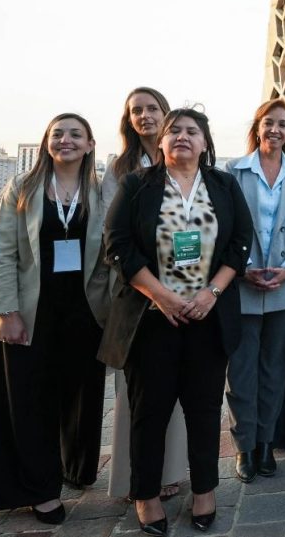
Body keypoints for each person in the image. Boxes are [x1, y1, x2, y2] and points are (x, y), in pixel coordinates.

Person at [100, 108, 253, 535]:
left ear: (205, 143)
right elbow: (118, 246)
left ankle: (204, 491)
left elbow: (241, 243)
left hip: (209, 317)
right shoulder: (137, 185)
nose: (183, 137)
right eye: (175, 132)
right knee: (150, 412)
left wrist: (212, 293)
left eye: (192, 132)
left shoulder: (224, 185)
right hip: (152, 319)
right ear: (162, 143)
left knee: (204, 410)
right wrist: (163, 297)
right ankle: (145, 495)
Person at [0, 113, 109, 525]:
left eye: (76, 134)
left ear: (90, 144)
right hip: (32, 313)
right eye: (58, 134)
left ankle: (77, 468)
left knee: (80, 398)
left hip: (86, 313)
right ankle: (41, 489)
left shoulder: (99, 191)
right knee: (31, 402)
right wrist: (6, 311)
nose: (66, 140)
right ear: (46, 143)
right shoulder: (23, 188)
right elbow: (2, 254)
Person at [102, 87, 188, 502]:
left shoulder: (185, 160)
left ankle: (172, 471)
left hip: (184, 289)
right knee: (134, 394)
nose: (145, 116)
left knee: (176, 388)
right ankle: (134, 479)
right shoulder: (119, 169)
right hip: (136, 294)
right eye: (136, 110)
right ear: (128, 119)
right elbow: (111, 235)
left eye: (152, 108)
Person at [224, 99, 285, 483]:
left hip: (284, 287)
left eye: (282, 124)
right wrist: (240, 269)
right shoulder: (233, 171)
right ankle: (244, 445)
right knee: (241, 373)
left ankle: (265, 443)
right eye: (268, 123)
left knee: (275, 370)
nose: (275, 130)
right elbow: (224, 225)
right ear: (257, 128)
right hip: (242, 285)